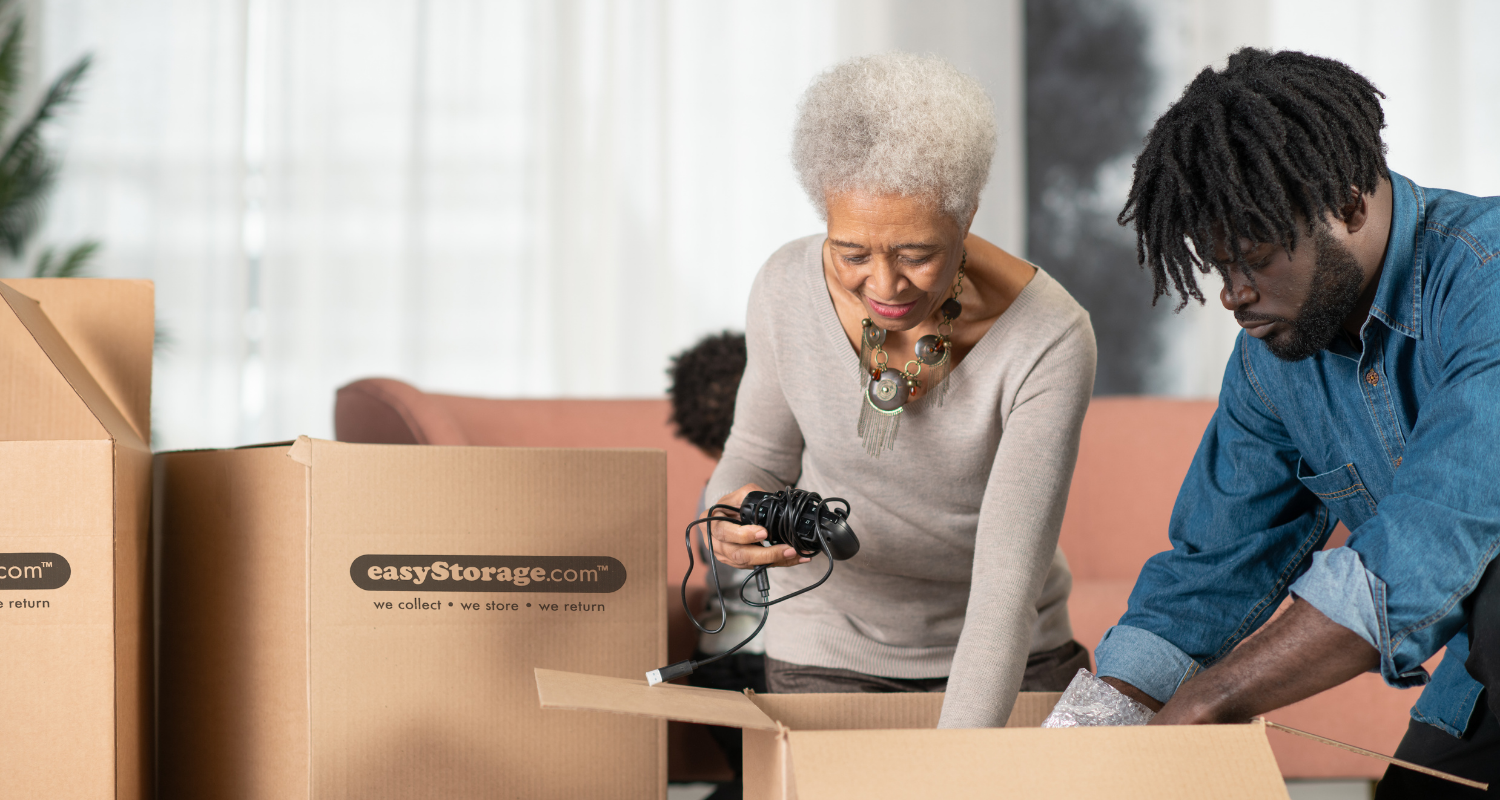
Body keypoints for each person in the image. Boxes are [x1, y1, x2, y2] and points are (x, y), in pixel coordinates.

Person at [1093, 48, 1500, 796]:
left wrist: (1211, 700)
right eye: (1219, 268)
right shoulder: (1272, 362)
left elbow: (1433, 538)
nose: (1232, 295)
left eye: (1253, 259)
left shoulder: (1488, 276)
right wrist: (1088, 737)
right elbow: (1209, 571)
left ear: (1348, 206)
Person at [704, 52, 1098, 729]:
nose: (884, 287)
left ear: (966, 215)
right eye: (852, 253)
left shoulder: (1050, 336)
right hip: (827, 645)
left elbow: (1005, 591)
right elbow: (755, 458)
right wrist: (727, 519)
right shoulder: (784, 287)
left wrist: (953, 763)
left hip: (1013, 653)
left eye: (917, 255)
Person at [666, 331, 761, 800]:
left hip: (715, 659)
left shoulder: (712, 492)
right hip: (772, 661)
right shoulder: (790, 486)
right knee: (772, 779)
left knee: (754, 775)